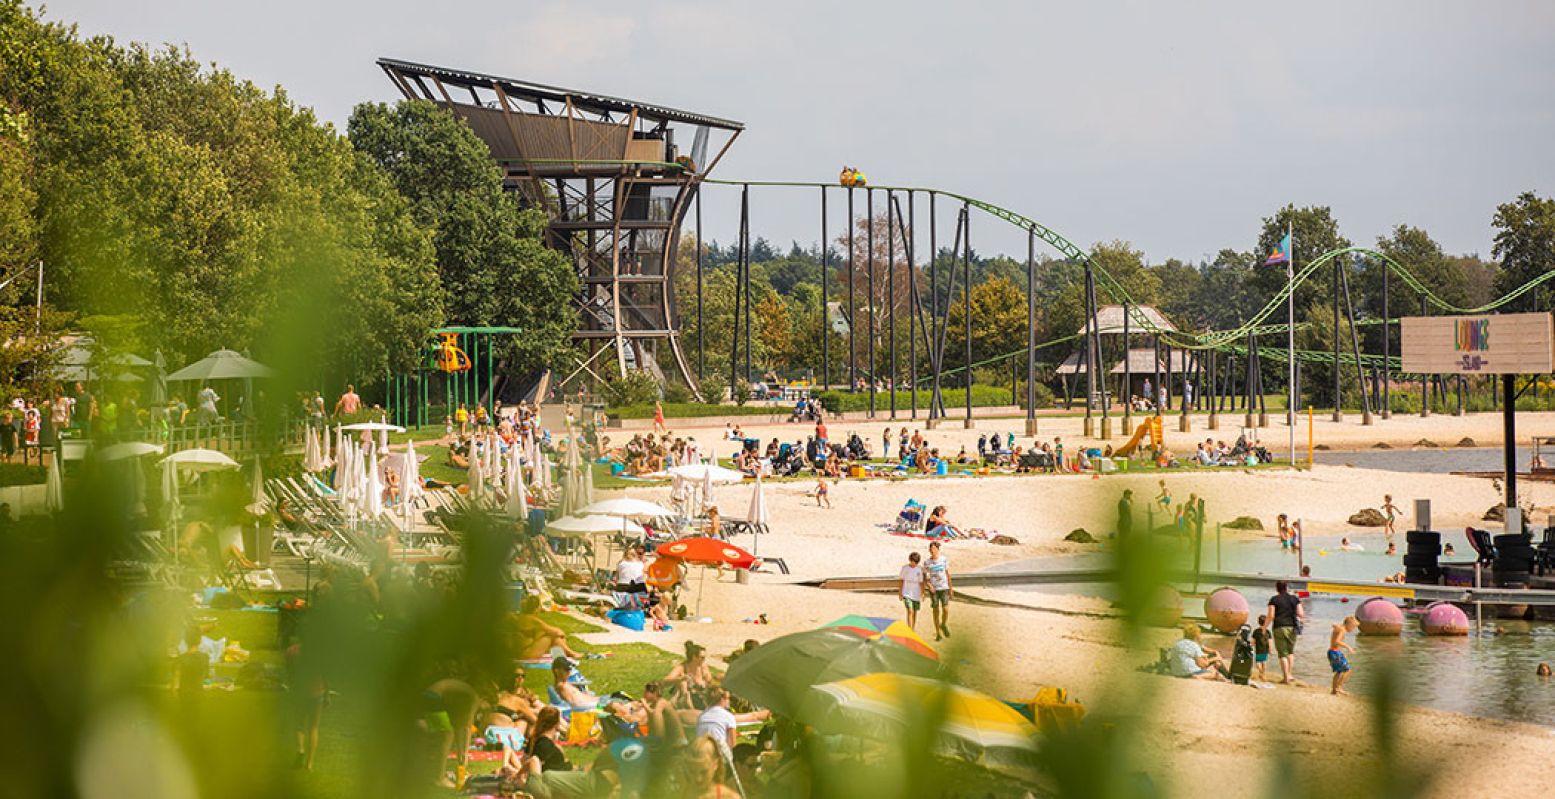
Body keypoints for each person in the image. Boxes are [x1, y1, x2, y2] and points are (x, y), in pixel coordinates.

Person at [510, 596, 583, 660]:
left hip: (519, 652)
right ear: (536, 608)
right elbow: (557, 632)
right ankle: (571, 653)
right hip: (526, 654)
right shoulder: (533, 620)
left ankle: (569, 653)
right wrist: (562, 636)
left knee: (549, 635)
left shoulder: (521, 617)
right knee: (551, 636)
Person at [1264, 580, 1305, 684]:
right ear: (1286, 588)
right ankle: (1290, 675)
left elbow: (1271, 615)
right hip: (1292, 628)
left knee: (1282, 654)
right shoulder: (1294, 599)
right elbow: (1301, 613)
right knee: (1290, 652)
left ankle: (1285, 678)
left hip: (1279, 627)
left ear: (1277, 588)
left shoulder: (1274, 599)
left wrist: (1264, 627)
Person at [662, 642, 714, 710]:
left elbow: (711, 683)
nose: (704, 660)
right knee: (683, 683)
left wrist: (705, 681)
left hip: (700, 700)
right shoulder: (682, 667)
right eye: (702, 657)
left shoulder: (703, 667)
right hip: (684, 703)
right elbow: (665, 681)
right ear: (694, 657)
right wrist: (680, 679)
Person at [925, 541, 952, 641]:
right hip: (934, 589)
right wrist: (929, 586)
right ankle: (938, 633)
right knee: (936, 611)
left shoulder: (944, 560)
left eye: (934, 549)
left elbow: (948, 574)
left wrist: (951, 588)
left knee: (946, 609)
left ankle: (943, 624)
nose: (932, 551)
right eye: (931, 549)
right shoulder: (927, 563)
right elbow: (926, 577)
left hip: (944, 587)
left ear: (938, 549)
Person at [1328, 616, 1359, 695]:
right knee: (1348, 670)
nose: (1352, 630)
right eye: (1353, 627)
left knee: (1338, 672)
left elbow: (1335, 626)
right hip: (1335, 653)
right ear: (1349, 624)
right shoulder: (1343, 630)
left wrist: (1335, 625)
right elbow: (1337, 641)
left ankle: (1334, 691)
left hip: (1331, 652)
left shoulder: (1340, 627)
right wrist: (1348, 647)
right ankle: (1339, 687)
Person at [898, 552, 925, 630]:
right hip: (906, 592)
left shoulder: (919, 569)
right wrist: (900, 592)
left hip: (916, 592)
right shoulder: (905, 568)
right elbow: (901, 580)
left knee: (915, 611)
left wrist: (923, 592)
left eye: (915, 562)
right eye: (912, 561)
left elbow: (921, 582)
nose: (914, 564)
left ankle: (913, 628)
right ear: (910, 560)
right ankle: (909, 629)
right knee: (910, 610)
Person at [1252, 616, 1272, 681]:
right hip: (1265, 649)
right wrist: (1270, 649)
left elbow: (1253, 641)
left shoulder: (1256, 631)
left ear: (1258, 622)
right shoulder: (1268, 631)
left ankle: (1261, 672)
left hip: (1258, 649)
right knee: (1264, 661)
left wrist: (1252, 646)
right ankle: (1263, 674)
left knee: (1258, 662)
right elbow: (1270, 642)